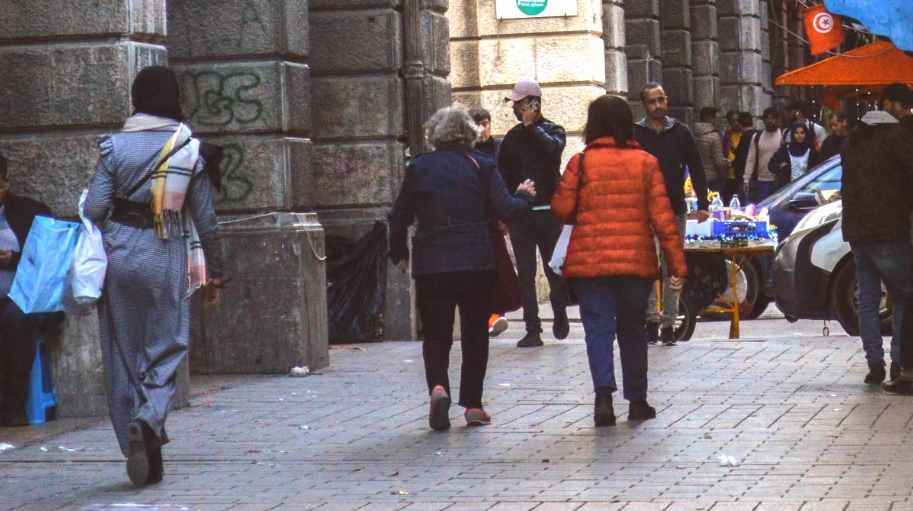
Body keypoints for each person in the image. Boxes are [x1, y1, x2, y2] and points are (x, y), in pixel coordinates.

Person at [84, 66, 225, 486]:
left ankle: (135, 436)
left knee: (124, 350)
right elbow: (206, 218)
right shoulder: (187, 147)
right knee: (167, 343)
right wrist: (216, 272)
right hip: (166, 250)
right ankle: (148, 418)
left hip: (119, 252)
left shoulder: (113, 147)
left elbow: (93, 209)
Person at [389, 106, 536, 430]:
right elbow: (506, 209)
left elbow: (399, 215)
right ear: (469, 135)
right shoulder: (482, 165)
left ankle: (438, 387)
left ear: (434, 135)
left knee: (437, 333)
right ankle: (472, 404)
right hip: (476, 262)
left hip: (431, 263)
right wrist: (524, 196)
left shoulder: (420, 167)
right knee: (474, 335)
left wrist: (397, 250)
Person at [552, 95, 687, 426]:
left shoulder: (580, 163)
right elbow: (663, 220)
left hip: (590, 264)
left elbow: (561, 208)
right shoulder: (646, 162)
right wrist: (678, 265)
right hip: (634, 264)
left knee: (597, 330)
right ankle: (637, 401)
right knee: (632, 330)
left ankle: (603, 398)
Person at [841, 83, 913, 392]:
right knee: (904, 296)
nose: (905, 112)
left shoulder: (853, 138)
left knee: (867, 299)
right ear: (889, 104)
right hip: (889, 228)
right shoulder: (898, 137)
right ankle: (900, 362)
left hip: (857, 230)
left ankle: (874, 365)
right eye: (903, 107)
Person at [634, 83, 709, 346]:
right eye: (652, 101)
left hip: (674, 209)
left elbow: (697, 168)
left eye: (661, 100)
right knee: (646, 268)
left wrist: (703, 203)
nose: (657, 105)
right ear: (645, 105)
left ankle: (669, 322)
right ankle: (650, 320)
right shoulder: (636, 133)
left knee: (673, 268)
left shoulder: (681, 132)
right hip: (643, 211)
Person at [497, 79, 570, 348]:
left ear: (534, 104)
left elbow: (553, 153)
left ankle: (559, 309)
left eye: (520, 103)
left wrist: (531, 127)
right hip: (522, 214)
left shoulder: (554, 130)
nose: (515, 107)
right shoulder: (512, 137)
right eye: (515, 103)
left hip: (549, 212)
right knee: (525, 273)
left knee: (554, 268)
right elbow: (501, 172)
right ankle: (532, 328)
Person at [0, 155, 53, 427]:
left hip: (22, 295)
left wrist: (14, 259)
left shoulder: (28, 212)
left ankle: (13, 406)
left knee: (17, 320)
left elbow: (48, 257)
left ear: (4, 184)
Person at [469, 107, 509, 338]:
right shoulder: (467, 153)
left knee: (500, 266)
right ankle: (486, 315)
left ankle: (495, 313)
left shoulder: (498, 149)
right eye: (478, 124)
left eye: (486, 123)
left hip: (495, 216)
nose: (483, 129)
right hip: (476, 218)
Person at [743, 107, 784, 203]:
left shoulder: (783, 135)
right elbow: (751, 159)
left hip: (779, 181)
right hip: (761, 181)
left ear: (777, 120)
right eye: (767, 118)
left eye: (773, 118)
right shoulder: (757, 137)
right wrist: (746, 179)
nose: (770, 121)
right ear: (764, 120)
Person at [695, 106, 731, 199]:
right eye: (716, 118)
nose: (718, 121)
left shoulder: (693, 133)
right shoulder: (713, 136)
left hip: (696, 177)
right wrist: (726, 168)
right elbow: (719, 162)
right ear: (710, 118)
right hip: (713, 179)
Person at [769, 122, 819, 188]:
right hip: (786, 189)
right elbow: (771, 165)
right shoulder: (785, 150)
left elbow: (817, 169)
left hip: (806, 188)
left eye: (802, 133)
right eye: (796, 133)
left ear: (806, 134)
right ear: (792, 134)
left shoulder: (811, 151)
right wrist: (780, 166)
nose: (799, 135)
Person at [731, 112, 756, 201]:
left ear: (740, 123)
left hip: (744, 176)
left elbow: (742, 159)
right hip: (756, 175)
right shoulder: (757, 134)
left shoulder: (745, 136)